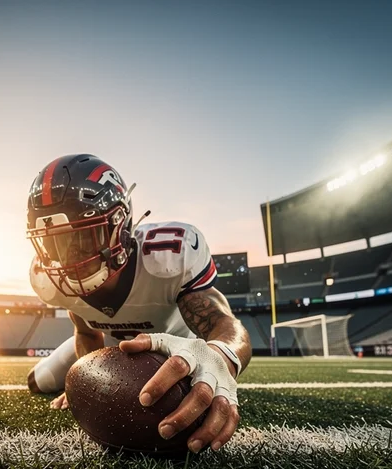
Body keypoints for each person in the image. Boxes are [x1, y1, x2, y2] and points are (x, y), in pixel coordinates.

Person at [25, 154, 251, 453]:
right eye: (56, 242)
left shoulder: (168, 255)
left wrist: (220, 356)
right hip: (109, 343)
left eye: (84, 236)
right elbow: (86, 331)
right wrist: (88, 381)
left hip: (175, 347)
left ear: (119, 224)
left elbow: (224, 324)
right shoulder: (48, 278)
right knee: (36, 382)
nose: (71, 257)